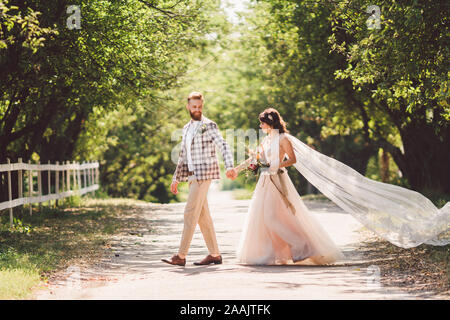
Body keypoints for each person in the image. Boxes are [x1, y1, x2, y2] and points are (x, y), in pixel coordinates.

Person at [234, 108, 345, 265]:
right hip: (265, 183)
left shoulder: (283, 139)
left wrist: (276, 164)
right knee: (265, 218)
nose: (260, 127)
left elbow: (292, 159)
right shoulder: (265, 140)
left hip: (278, 180)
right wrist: (237, 170)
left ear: (270, 123)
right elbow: (254, 159)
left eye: (262, 123)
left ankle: (302, 245)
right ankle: (271, 254)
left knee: (273, 217)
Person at [162, 92, 237, 267]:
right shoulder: (186, 128)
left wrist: (230, 165)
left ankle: (181, 256)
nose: (197, 110)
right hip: (191, 176)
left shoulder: (209, 125)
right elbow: (183, 155)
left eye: (200, 107)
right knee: (203, 217)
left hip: (204, 174)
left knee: (190, 213)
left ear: (202, 106)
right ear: (188, 106)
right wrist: (176, 179)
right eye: (194, 107)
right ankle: (215, 254)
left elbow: (223, 146)